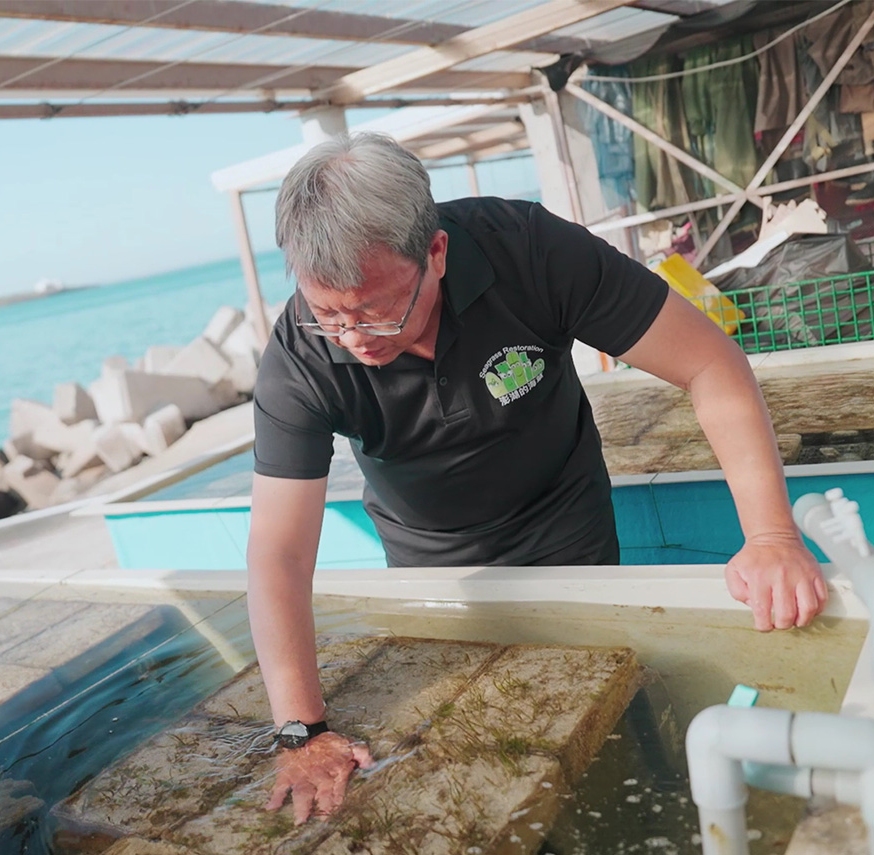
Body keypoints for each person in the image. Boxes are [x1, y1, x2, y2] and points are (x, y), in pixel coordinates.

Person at [246, 132, 827, 825]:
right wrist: (300, 730)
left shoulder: (528, 250)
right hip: (433, 565)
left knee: (619, 725)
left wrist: (770, 536)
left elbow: (710, 364)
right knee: (474, 765)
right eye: (329, 316)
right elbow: (279, 552)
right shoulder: (301, 355)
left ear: (436, 252)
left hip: (566, 525)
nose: (354, 338)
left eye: (377, 312)